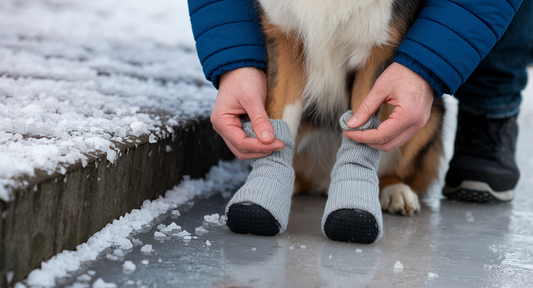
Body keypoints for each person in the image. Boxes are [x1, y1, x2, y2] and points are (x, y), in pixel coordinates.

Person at [188, 0, 531, 203]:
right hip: (310, 133)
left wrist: (425, 70)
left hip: (390, 127)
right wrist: (235, 64)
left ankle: (377, 176)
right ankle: (276, 171)